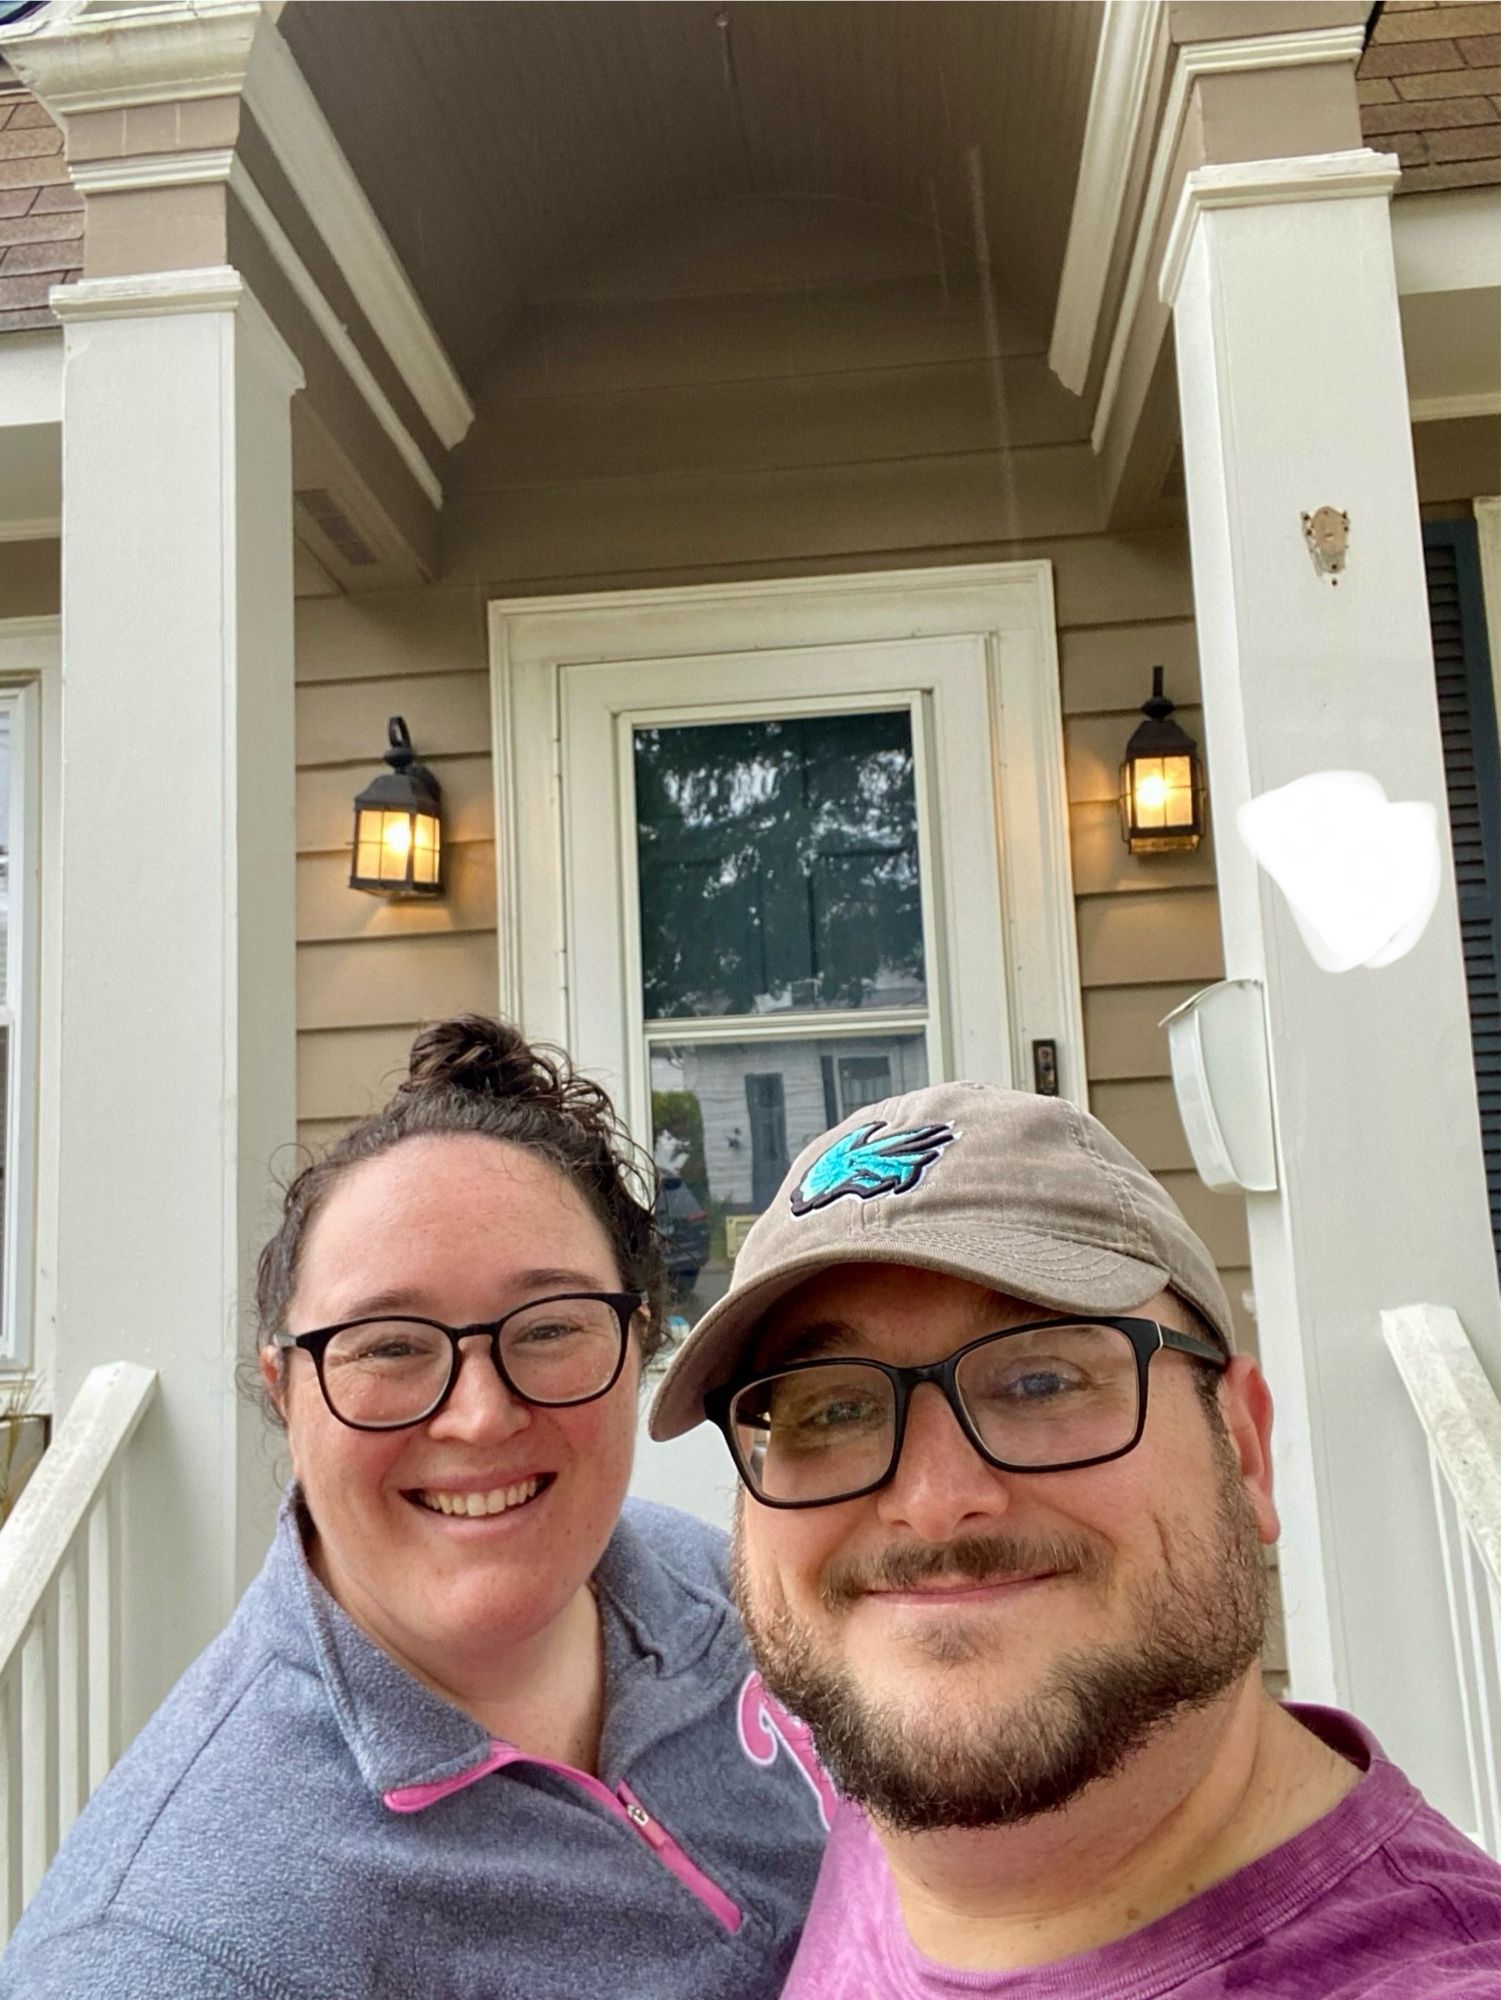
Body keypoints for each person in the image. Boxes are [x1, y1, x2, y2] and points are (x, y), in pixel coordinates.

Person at [1, 1017, 825, 2000]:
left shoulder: (724, 1586)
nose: (480, 1417)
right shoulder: (166, 1948)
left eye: (552, 1326)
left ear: (636, 1340)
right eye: (389, 1345)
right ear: (284, 1390)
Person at [649, 1080, 1501, 1995]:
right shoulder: (867, 1772)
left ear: (1245, 1449)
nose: (934, 1504)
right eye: (832, 1409)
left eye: (1042, 1383)